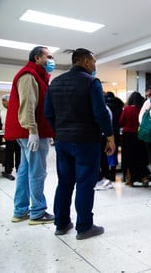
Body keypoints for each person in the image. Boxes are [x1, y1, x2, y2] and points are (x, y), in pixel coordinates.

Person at [44, 48, 115, 240]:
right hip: (86, 141)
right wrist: (110, 136)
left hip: (62, 141)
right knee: (85, 183)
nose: (94, 66)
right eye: (93, 61)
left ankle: (61, 223)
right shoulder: (91, 82)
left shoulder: (55, 83)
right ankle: (84, 226)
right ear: (84, 61)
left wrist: (59, 131)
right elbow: (100, 112)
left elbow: (48, 113)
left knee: (65, 183)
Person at [5, 46, 55, 224]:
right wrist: (33, 131)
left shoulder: (37, 76)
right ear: (37, 58)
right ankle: (38, 212)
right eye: (48, 57)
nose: (51, 60)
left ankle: (20, 211)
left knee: (25, 172)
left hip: (28, 133)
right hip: (32, 133)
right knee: (37, 172)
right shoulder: (29, 76)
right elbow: (28, 105)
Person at [118, 92, 147, 187]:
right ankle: (143, 177)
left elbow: (121, 122)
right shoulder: (142, 110)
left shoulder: (126, 109)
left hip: (128, 136)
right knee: (140, 157)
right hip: (140, 135)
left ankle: (130, 179)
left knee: (128, 157)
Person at [0, 94, 21, 180]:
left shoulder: (16, 109)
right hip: (8, 135)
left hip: (17, 134)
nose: (3, 103)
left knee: (18, 152)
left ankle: (19, 169)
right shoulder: (2, 111)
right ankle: (8, 170)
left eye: (4, 101)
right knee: (9, 152)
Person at [105, 92, 124, 181]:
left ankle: (106, 173)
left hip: (105, 132)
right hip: (116, 132)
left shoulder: (105, 106)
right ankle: (113, 172)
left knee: (104, 152)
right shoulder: (119, 107)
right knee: (113, 151)